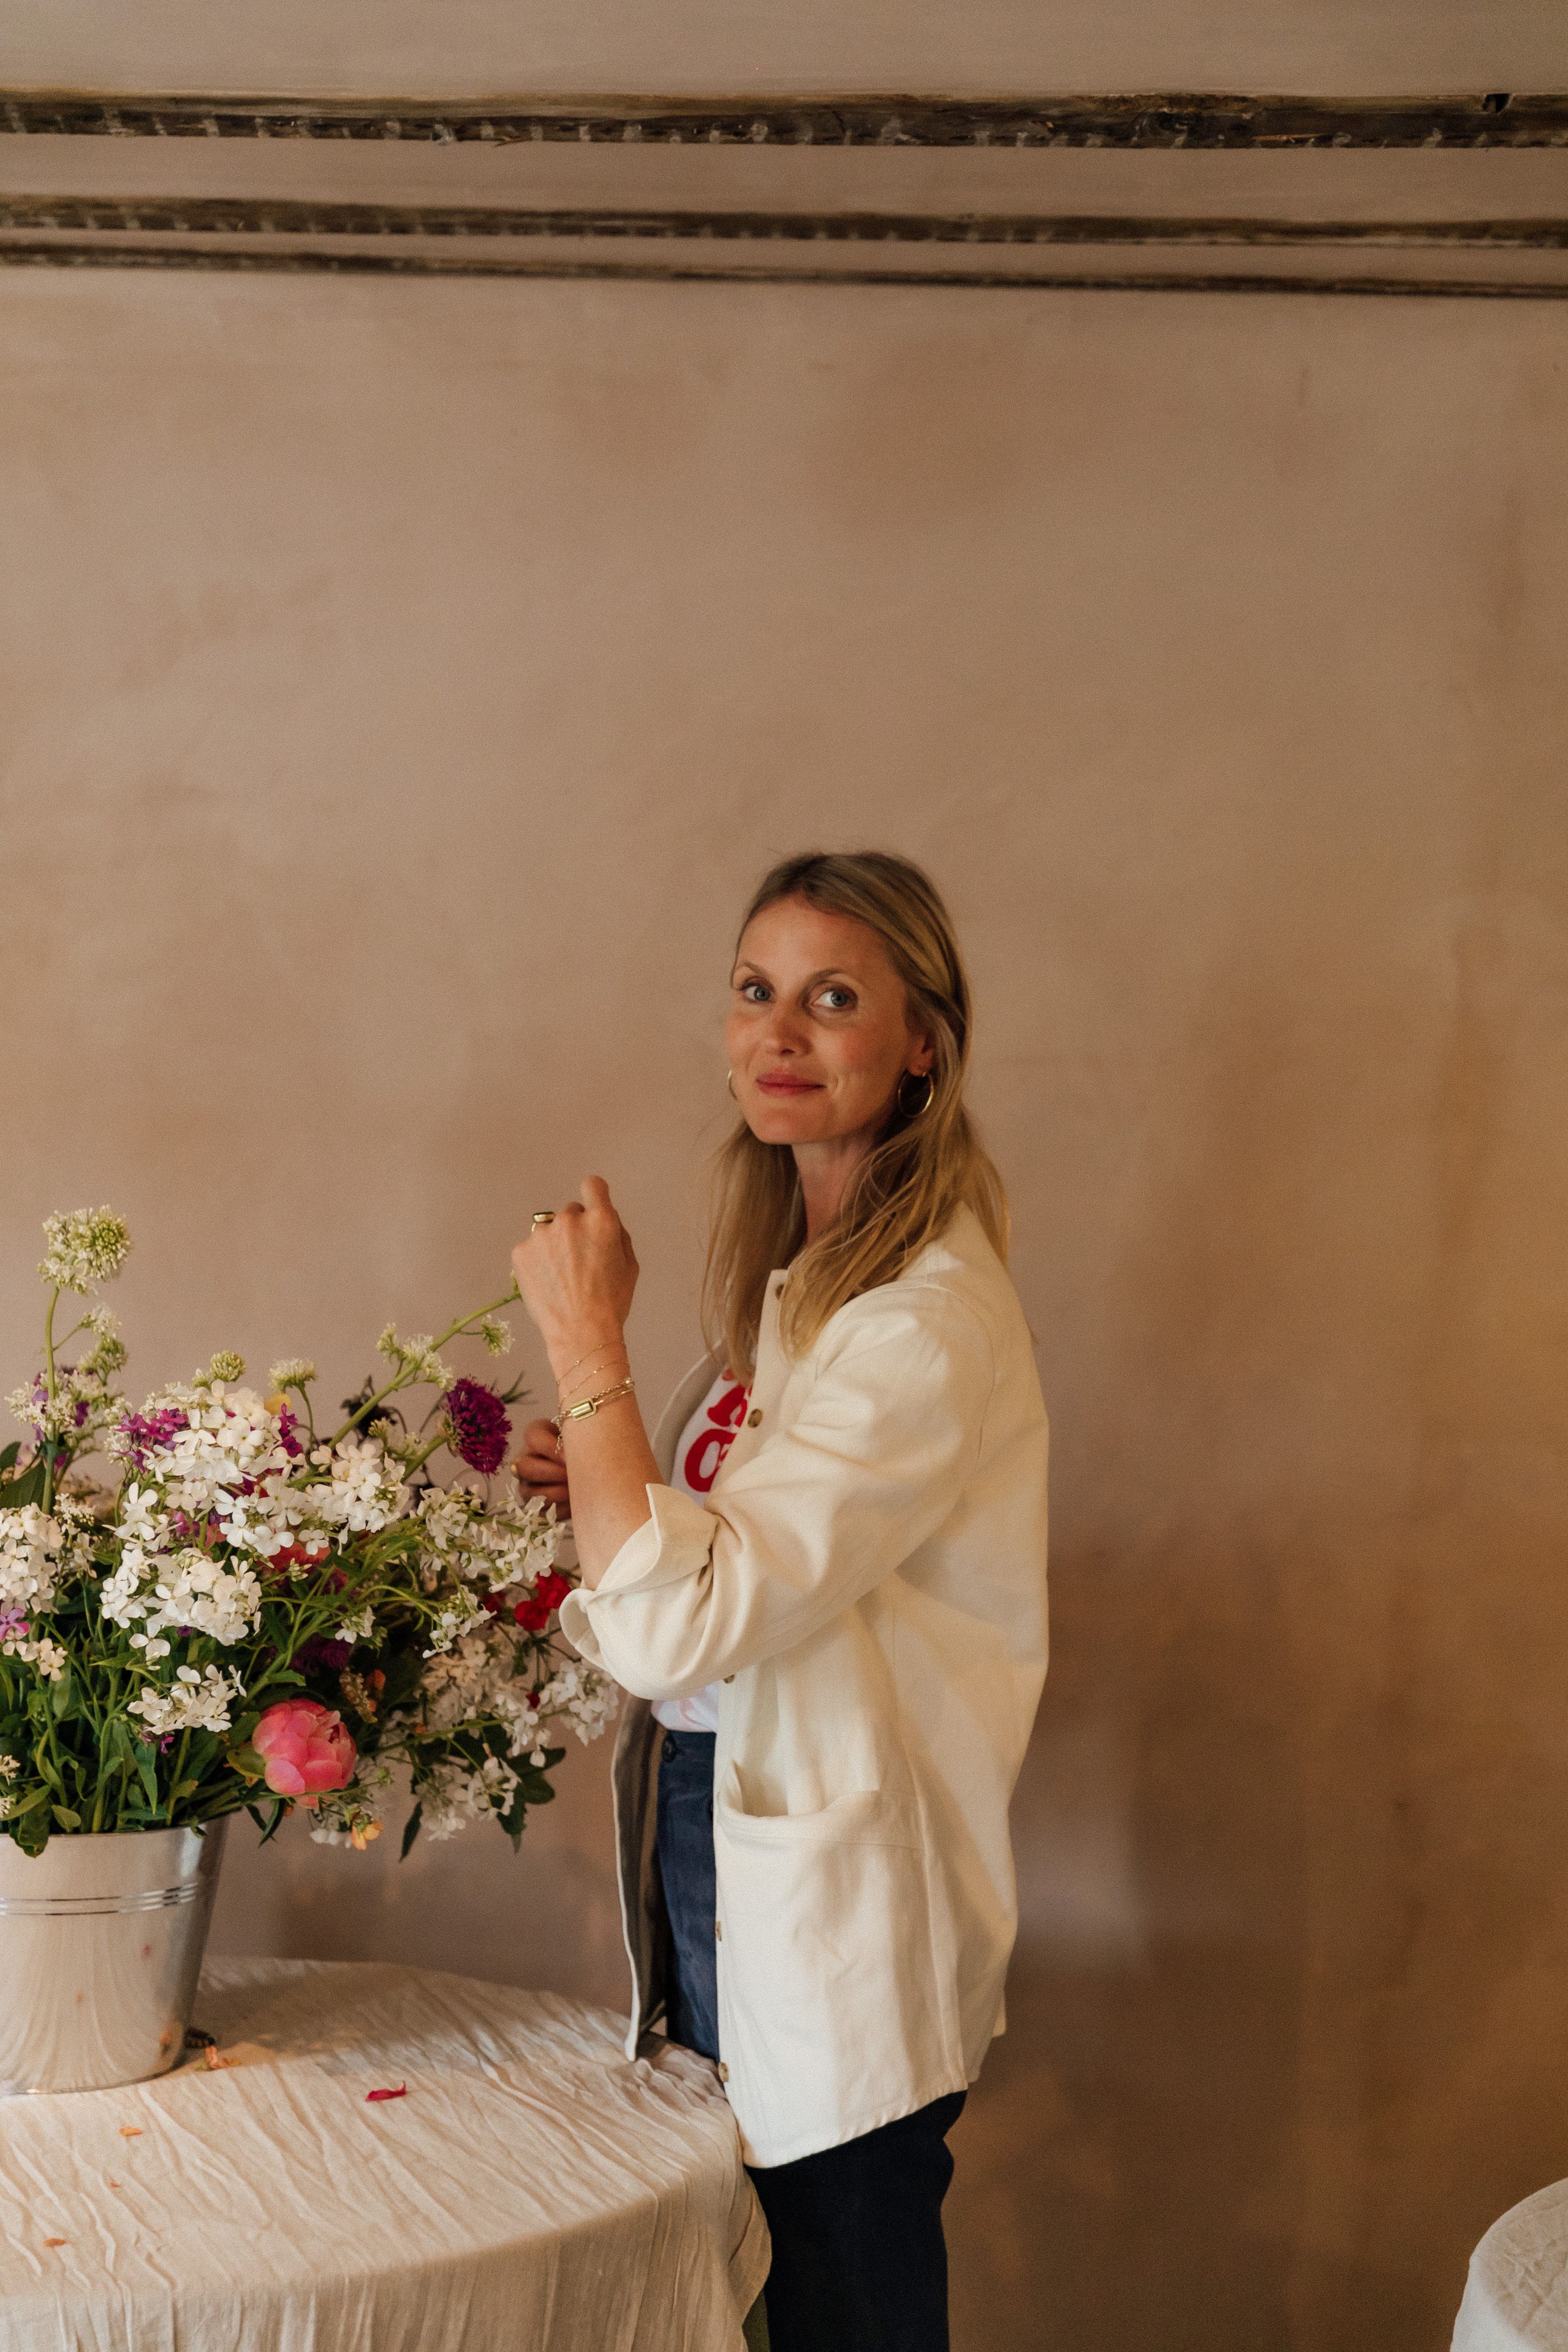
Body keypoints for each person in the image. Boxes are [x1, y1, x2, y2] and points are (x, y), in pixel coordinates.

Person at [510, 849, 1049, 2352]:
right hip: (713, 1822)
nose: (778, 1035)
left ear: (922, 1042)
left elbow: (686, 1623)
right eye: (756, 993)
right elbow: (753, 1567)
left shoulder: (921, 1324)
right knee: (752, 2289)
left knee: (841, 2302)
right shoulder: (799, 1288)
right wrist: (623, 1478)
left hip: (834, 1886)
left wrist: (587, 1348)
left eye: (832, 999)